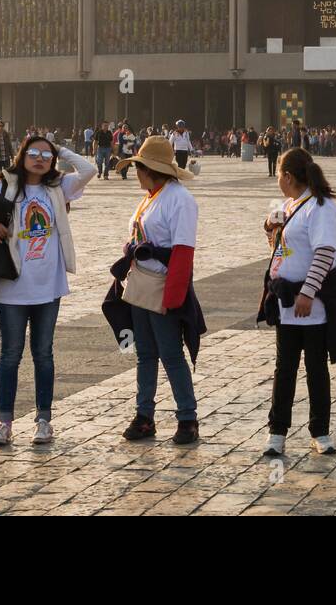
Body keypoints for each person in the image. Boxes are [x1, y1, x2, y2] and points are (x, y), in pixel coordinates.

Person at [0, 135, 97, 446]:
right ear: (22, 155)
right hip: (11, 287)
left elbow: (88, 170)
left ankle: (43, 420)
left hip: (48, 286)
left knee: (43, 354)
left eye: (46, 155)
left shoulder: (58, 187)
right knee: (10, 355)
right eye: (33, 153)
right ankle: (4, 422)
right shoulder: (4, 187)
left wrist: (60, 149)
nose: (40, 159)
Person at [113, 135, 202, 445]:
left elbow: (183, 252)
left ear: (150, 170)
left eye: (139, 168)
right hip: (141, 285)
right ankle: (144, 415)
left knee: (170, 354)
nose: (136, 173)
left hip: (162, 287)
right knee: (146, 354)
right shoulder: (152, 195)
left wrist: (173, 297)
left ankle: (188, 418)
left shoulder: (179, 199)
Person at [261, 148, 336, 457]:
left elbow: (325, 252)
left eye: (279, 174)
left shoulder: (319, 207)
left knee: (316, 367)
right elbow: (281, 245)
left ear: (289, 176)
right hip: (285, 302)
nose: (277, 180)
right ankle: (277, 432)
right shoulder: (289, 204)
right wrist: (270, 226)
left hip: (312, 302)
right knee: (285, 367)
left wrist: (308, 292)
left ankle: (320, 430)